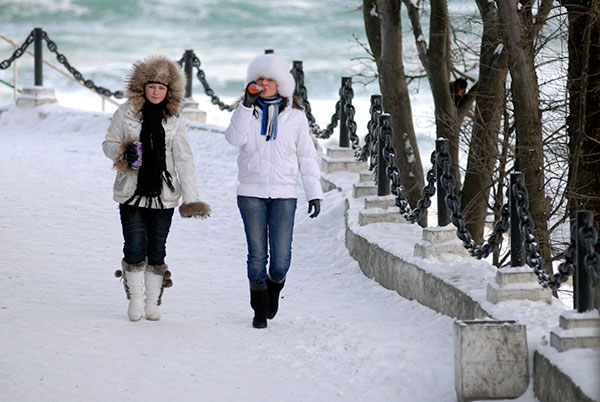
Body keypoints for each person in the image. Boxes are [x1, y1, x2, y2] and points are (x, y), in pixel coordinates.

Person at [102, 56, 210, 322]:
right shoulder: (125, 112)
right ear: (143, 87)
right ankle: (136, 300)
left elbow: (185, 160)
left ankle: (153, 301)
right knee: (135, 246)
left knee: (157, 249)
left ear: (169, 91)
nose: (156, 92)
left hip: (164, 195)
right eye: (152, 86)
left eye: (162, 88)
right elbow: (108, 143)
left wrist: (191, 198)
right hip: (130, 191)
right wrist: (124, 152)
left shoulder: (175, 121)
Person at [225, 53, 323, 329]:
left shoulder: (296, 118)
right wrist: (246, 105)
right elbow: (233, 139)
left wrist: (314, 192)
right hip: (250, 192)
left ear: (281, 84)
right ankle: (259, 309)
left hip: (284, 194)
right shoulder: (246, 112)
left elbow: (307, 156)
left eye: (270, 79)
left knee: (280, 260)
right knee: (257, 254)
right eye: (259, 79)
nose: (264, 83)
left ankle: (274, 287)